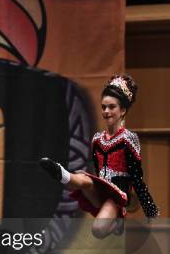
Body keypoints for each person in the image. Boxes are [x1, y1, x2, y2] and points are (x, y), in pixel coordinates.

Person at [40, 74, 159, 238]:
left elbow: (136, 176)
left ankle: (117, 224)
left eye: (111, 107)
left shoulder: (129, 138)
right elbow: (98, 168)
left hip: (118, 194)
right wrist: (98, 187)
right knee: (84, 179)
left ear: (123, 110)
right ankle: (61, 173)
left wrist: (148, 206)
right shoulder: (97, 139)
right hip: (101, 186)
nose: (106, 111)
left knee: (98, 230)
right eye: (103, 107)